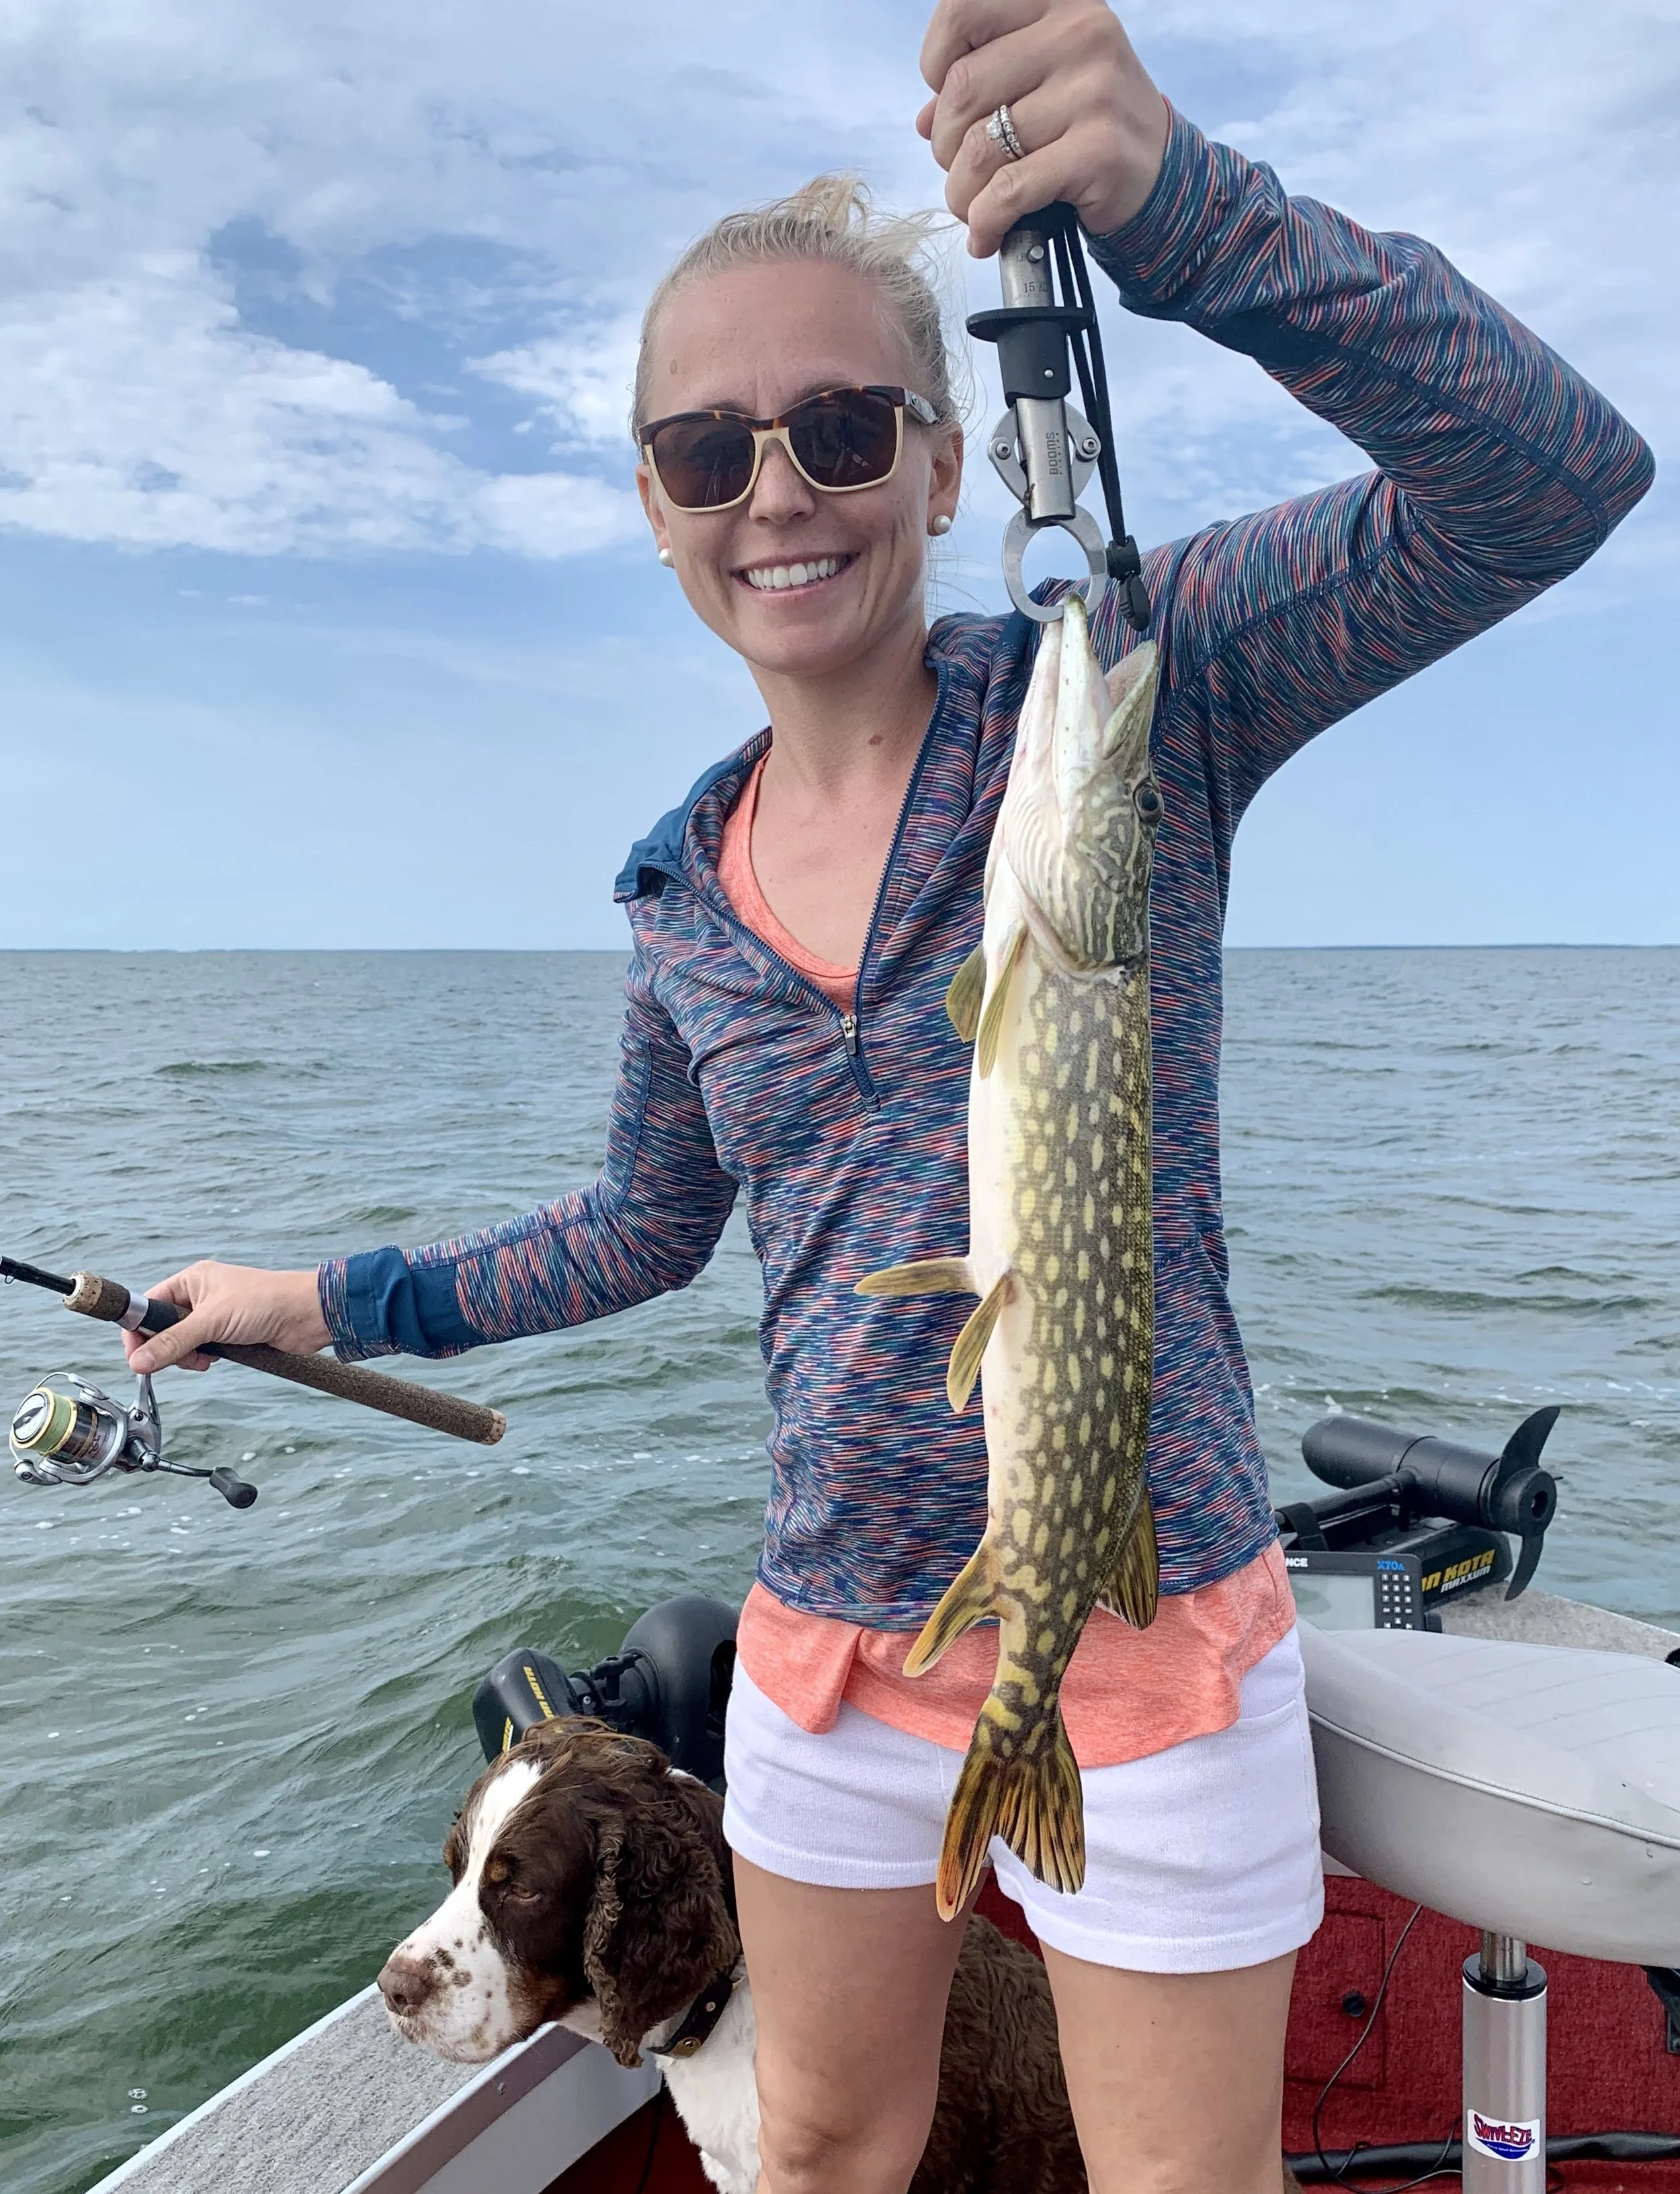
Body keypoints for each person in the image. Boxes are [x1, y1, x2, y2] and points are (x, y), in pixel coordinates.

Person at [124, 2, 1652, 2187]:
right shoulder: (672, 887)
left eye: (842, 427)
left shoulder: (1133, 681)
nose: (777, 492)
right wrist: (325, 1300)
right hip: (830, 1641)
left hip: (1134, 1638)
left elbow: (1549, 474)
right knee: (824, 2154)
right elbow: (641, 1226)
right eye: (704, 450)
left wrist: (1189, 210)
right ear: (652, 507)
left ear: (941, 466)